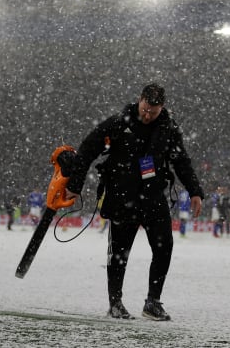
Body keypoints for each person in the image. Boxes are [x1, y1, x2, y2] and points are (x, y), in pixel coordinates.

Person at [65, 83, 203, 321]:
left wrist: (195, 191)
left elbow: (181, 161)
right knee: (119, 252)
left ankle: (152, 302)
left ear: (163, 107)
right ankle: (115, 303)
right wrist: (75, 185)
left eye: (154, 111)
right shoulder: (119, 122)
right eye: (145, 109)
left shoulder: (169, 128)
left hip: (153, 196)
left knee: (164, 247)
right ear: (139, 100)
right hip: (121, 196)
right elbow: (88, 149)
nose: (148, 115)